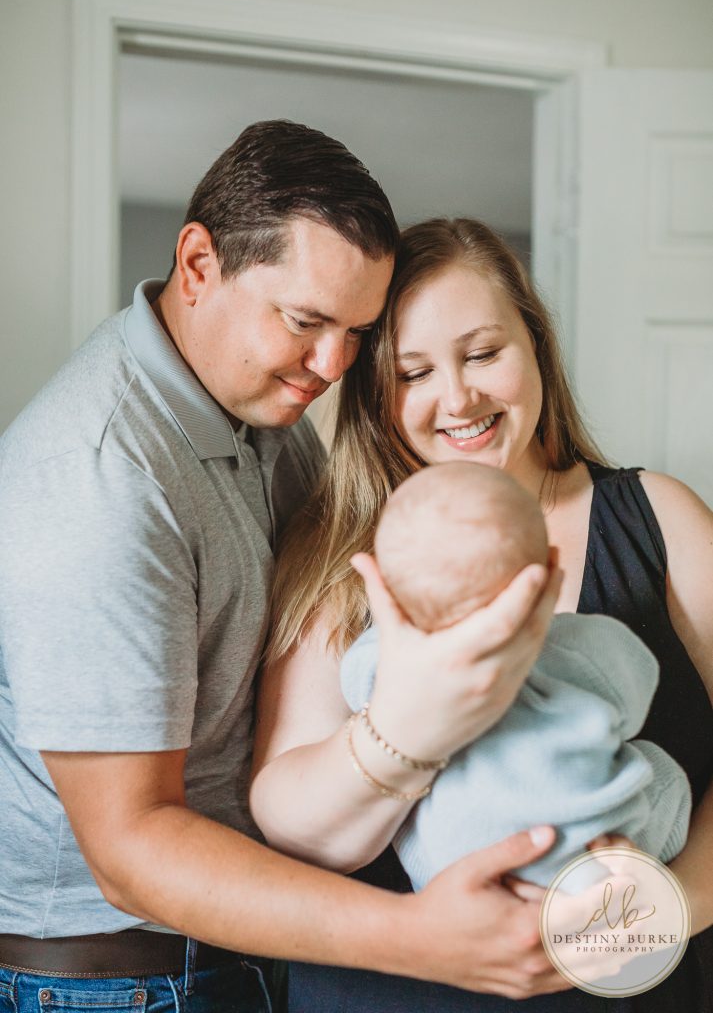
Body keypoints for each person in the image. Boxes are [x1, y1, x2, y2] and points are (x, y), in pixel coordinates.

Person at [0, 128, 563, 1011]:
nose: (334, 367)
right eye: (305, 322)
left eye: (357, 333)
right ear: (197, 263)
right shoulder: (100, 479)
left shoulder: (263, 409)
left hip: (239, 948)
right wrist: (420, 941)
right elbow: (129, 852)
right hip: (116, 980)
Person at [251, 217, 713, 1011]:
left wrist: (660, 911)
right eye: (413, 371)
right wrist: (409, 727)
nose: (457, 397)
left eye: (482, 353)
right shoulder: (339, 552)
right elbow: (291, 822)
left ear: (534, 345)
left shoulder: (658, 518)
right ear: (375, 391)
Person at [341, 461, 692, 892]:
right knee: (664, 773)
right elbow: (634, 692)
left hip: (457, 868)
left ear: (385, 585)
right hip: (584, 850)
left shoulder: (380, 655)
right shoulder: (579, 645)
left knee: (416, 820)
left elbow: (355, 686)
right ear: (547, 569)